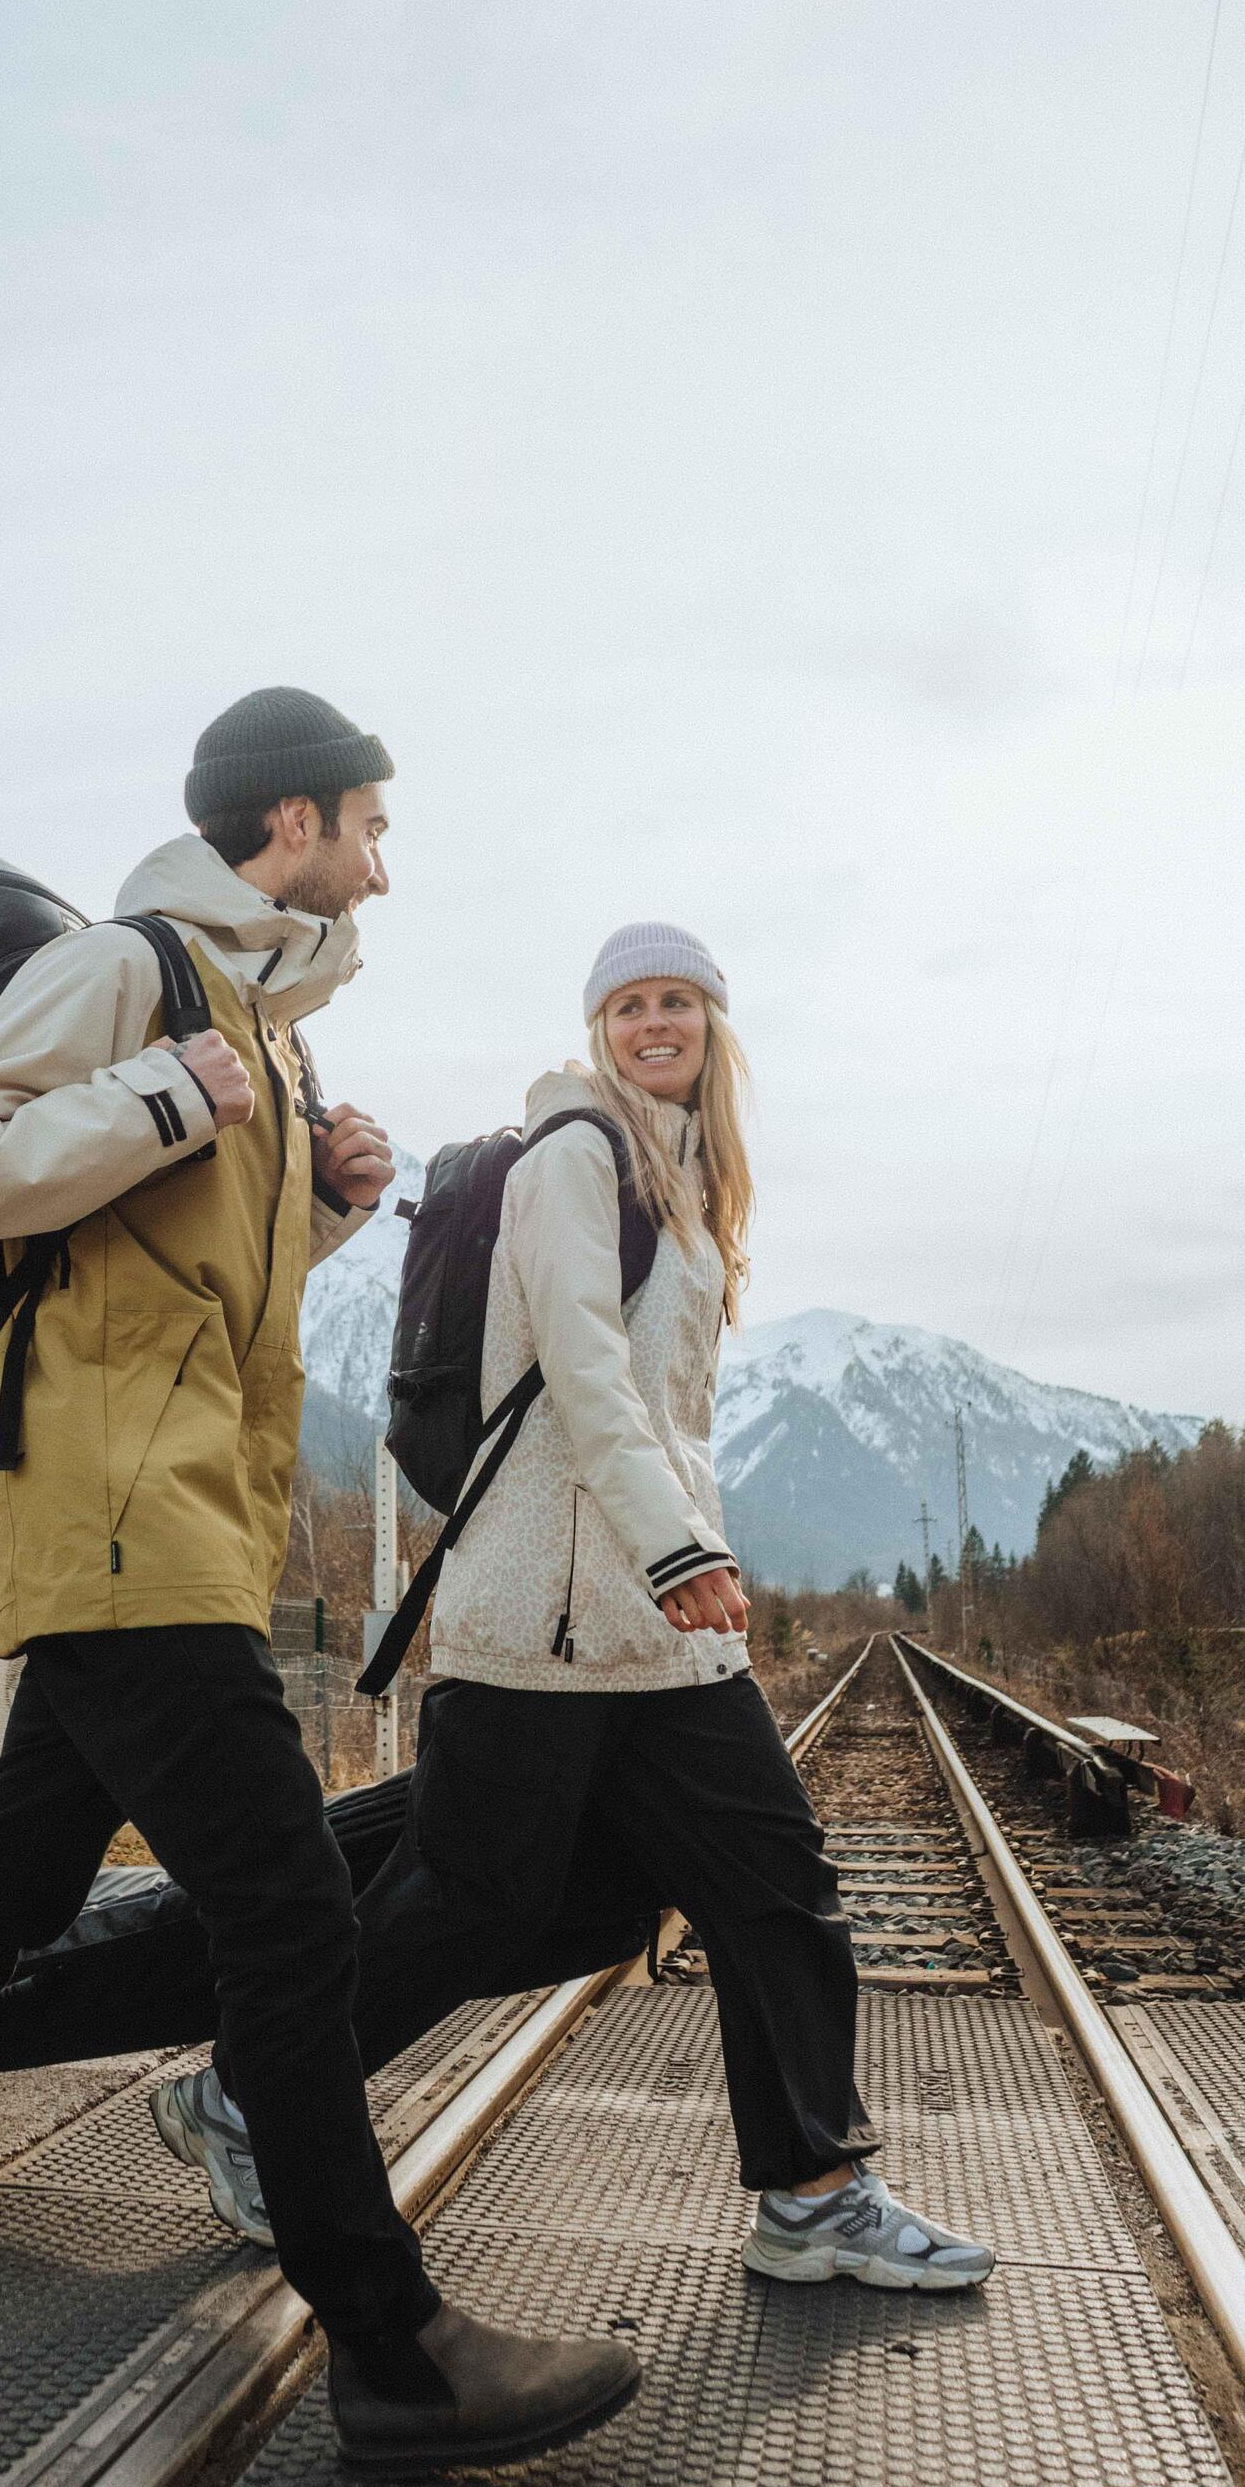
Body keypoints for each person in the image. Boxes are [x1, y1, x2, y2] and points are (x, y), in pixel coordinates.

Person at [0, 688, 643, 2478]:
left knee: (4, 1896)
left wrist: (328, 1198)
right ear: (286, 827)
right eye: (371, 823)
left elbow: (175, 1252)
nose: (386, 860)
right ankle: (390, 2344)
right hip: (123, 1511)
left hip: (173, 1508)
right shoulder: (139, 973)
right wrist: (160, 1089)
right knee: (287, 1916)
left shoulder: (262, 1032)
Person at [309, 921, 996, 2291]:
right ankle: (259, 2094)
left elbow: (668, 1413)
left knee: (775, 1886)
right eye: (628, 1005)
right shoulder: (577, 1157)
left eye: (677, 1000)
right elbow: (581, 1367)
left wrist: (682, 1558)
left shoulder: (686, 1175)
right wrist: (681, 1551)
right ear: (598, 1028)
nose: (653, 1023)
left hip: (658, 1630)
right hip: (555, 1615)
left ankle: (812, 2195)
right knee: (473, 1906)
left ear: (715, 1026)